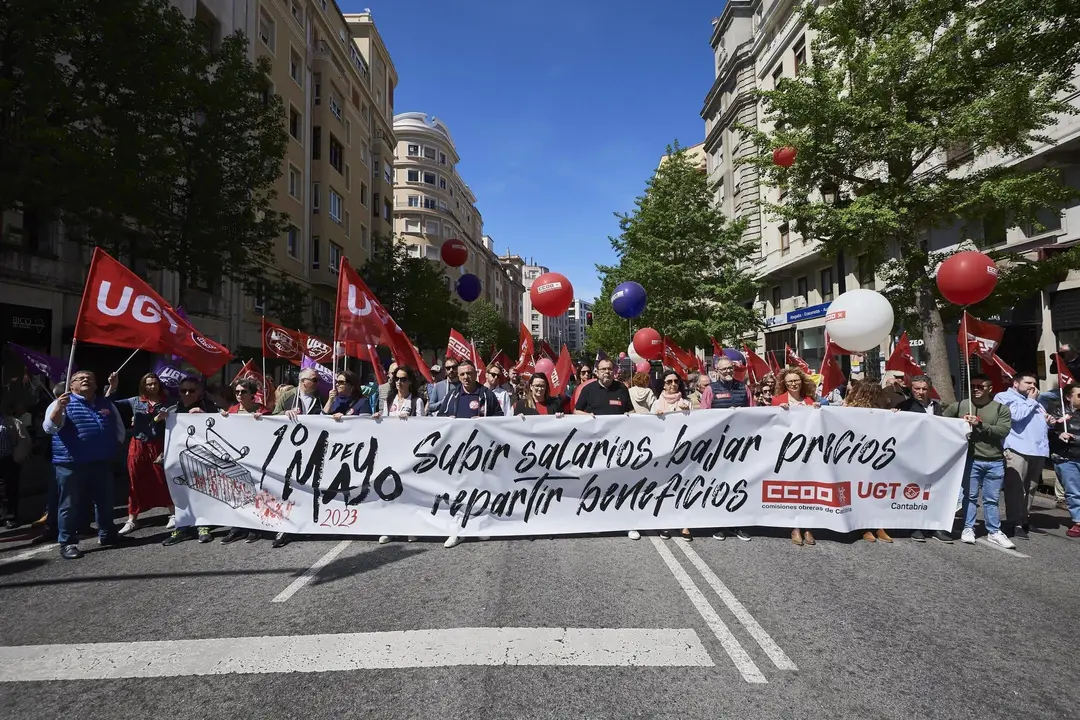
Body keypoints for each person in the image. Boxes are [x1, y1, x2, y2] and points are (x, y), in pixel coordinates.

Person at [42, 370, 124, 559]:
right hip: (71, 464)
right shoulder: (61, 403)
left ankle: (108, 534)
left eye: (90, 378)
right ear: (71, 386)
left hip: (101, 462)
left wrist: (111, 446)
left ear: (95, 385)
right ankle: (67, 542)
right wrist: (58, 409)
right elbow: (49, 428)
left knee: (105, 501)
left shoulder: (106, 404)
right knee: (69, 505)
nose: (86, 380)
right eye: (80, 379)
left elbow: (119, 429)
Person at [434, 360, 502, 548]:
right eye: (462, 374)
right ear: (458, 375)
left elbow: (500, 418)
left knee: (481, 488)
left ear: (476, 374)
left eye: (469, 373)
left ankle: (480, 526)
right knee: (458, 490)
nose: (466, 377)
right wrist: (447, 420)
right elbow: (439, 418)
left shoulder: (486, 395)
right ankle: (457, 529)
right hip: (457, 452)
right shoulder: (452, 396)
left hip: (481, 451)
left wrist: (485, 421)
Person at [944, 372, 1015, 548]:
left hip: (995, 460)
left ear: (990, 389)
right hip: (971, 459)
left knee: (992, 499)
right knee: (970, 496)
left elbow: (1003, 431)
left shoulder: (1000, 409)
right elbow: (941, 422)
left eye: (980, 387)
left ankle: (994, 531)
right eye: (972, 386)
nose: (975, 389)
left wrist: (980, 425)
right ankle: (968, 528)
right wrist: (958, 426)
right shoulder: (960, 406)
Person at [106, 372, 175, 535]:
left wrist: (167, 417)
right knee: (135, 480)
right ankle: (132, 519)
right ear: (143, 386)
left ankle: (173, 513)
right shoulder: (135, 401)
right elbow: (109, 403)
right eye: (148, 384)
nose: (152, 386)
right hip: (138, 444)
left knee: (162, 478)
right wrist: (112, 386)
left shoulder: (168, 402)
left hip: (159, 444)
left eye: (155, 383)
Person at [575, 358, 637, 539]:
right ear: (597, 372)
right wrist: (588, 416)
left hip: (619, 447)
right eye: (603, 369)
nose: (607, 372)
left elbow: (631, 411)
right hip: (596, 448)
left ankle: (626, 523)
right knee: (597, 485)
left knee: (621, 484)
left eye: (610, 369)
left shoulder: (622, 389)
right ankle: (598, 521)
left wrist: (630, 416)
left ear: (614, 371)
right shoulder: (588, 389)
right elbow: (576, 411)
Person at [995, 371, 1053, 540]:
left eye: (1034, 383)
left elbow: (1039, 422)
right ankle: (1014, 522)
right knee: (1016, 488)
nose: (1032, 386)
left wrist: (1048, 421)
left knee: (1031, 488)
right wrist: (1031, 401)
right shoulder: (1004, 397)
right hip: (1017, 448)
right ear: (1015, 383)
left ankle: (1024, 519)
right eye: (1028, 383)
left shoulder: (1034, 401)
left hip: (1037, 450)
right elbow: (1015, 416)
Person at [161, 376, 218, 546]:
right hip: (178, 458)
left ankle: (203, 526)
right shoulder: (173, 409)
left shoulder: (209, 407)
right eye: (183, 390)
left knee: (202, 492)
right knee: (180, 493)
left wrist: (205, 416)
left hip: (202, 458)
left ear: (199, 392)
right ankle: (182, 527)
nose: (187, 394)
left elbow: (220, 426)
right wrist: (159, 419)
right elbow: (157, 428)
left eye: (191, 390)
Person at [840, 380, 895, 544]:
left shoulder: (882, 409)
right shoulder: (851, 408)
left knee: (875, 489)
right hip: (856, 454)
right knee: (860, 489)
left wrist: (893, 415)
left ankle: (878, 525)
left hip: (877, 453)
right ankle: (864, 527)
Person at [897, 375, 951, 543]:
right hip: (913, 455)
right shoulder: (904, 406)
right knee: (914, 491)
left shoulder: (937, 406)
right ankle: (915, 526)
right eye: (917, 389)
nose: (920, 392)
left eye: (924, 389)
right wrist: (893, 415)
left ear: (929, 389)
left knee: (933, 491)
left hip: (934, 455)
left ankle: (934, 526)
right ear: (911, 389)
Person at [773, 366, 821, 546]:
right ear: (784, 384)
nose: (793, 384)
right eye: (789, 382)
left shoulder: (810, 400)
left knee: (807, 489)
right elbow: (771, 425)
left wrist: (818, 410)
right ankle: (795, 527)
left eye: (796, 380)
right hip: (787, 452)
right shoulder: (777, 400)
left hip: (808, 451)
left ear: (802, 381)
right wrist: (779, 412)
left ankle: (807, 527)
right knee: (792, 489)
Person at [219, 378, 268, 544]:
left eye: (243, 391)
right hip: (237, 459)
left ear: (252, 393)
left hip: (256, 458)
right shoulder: (232, 411)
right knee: (237, 492)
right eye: (237, 391)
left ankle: (255, 527)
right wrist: (222, 419)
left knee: (256, 491)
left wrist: (263, 421)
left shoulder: (263, 411)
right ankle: (238, 527)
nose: (239, 394)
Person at [652, 370, 693, 541]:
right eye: (669, 382)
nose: (673, 385)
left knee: (683, 485)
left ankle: (684, 523)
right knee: (665, 486)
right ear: (663, 385)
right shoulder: (656, 404)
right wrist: (656, 416)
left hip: (683, 451)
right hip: (664, 452)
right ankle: (665, 523)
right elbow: (650, 427)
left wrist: (688, 414)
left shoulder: (687, 403)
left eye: (676, 381)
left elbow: (696, 426)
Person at [1049, 382, 1080, 538]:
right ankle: (1078, 521)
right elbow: (1047, 432)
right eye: (1079, 395)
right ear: (1068, 397)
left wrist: (1076, 439)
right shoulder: (1057, 412)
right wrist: (1058, 434)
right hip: (1066, 458)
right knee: (1073, 491)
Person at [0, 393, 32, 529]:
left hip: (8, 460)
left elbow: (24, 439)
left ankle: (10, 516)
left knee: (9, 490)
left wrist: (17, 458)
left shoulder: (11, 421)